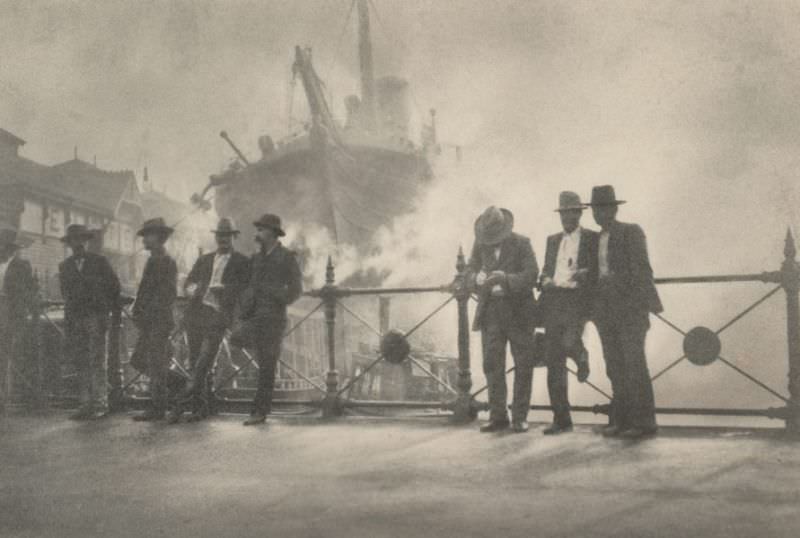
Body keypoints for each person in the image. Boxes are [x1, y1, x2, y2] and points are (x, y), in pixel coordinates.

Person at [589, 185, 662, 439]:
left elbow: (642, 271)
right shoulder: (595, 238)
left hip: (630, 311)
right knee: (614, 366)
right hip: (605, 313)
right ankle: (622, 420)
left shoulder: (631, 232)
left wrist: (614, 280)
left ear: (615, 209)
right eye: (596, 210)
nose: (599, 214)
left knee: (634, 364)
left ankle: (644, 422)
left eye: (604, 208)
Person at [168, 218, 250, 423]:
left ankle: (178, 405)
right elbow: (189, 282)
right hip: (197, 313)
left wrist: (226, 291)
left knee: (203, 363)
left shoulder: (241, 261)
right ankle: (199, 408)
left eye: (227, 235)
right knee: (195, 360)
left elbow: (246, 289)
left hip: (219, 315)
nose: (223, 239)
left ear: (233, 237)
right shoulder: (204, 259)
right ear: (216, 237)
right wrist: (192, 290)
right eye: (220, 235)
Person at [467, 206, 538, 433]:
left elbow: (531, 275)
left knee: (523, 364)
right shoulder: (479, 244)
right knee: (492, 364)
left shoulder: (522, 243)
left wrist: (506, 279)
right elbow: (468, 271)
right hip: (491, 314)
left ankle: (519, 417)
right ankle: (498, 416)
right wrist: (474, 278)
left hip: (519, 312)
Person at [539, 192, 598, 434]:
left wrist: (587, 273)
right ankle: (561, 418)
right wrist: (544, 280)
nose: (567, 217)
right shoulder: (553, 240)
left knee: (568, 340)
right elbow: (545, 269)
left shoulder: (592, 238)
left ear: (580, 213)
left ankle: (580, 353)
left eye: (572, 212)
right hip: (554, 300)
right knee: (553, 360)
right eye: (564, 213)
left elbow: (600, 268)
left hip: (577, 300)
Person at [239, 214, 302, 426]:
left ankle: (260, 411)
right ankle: (257, 408)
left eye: (261, 230)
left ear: (273, 233)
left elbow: (296, 290)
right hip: (256, 317)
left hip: (274, 319)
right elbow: (248, 283)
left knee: (267, 364)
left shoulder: (286, 257)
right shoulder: (256, 259)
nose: (257, 234)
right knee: (260, 363)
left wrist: (278, 297)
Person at [59, 224, 121, 420]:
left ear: (86, 241)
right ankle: (85, 404)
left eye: (80, 239)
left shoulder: (99, 262)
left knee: (97, 360)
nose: (77, 243)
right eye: (73, 240)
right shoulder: (65, 266)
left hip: (96, 317)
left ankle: (101, 403)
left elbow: (114, 287)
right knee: (81, 361)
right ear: (69, 244)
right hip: (76, 319)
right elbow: (66, 294)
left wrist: (104, 310)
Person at [131, 218, 178, 422]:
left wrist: (148, 312)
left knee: (155, 363)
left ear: (159, 237)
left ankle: (158, 407)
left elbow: (167, 294)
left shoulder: (166, 261)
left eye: (148, 235)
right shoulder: (152, 260)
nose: (144, 239)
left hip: (158, 320)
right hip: (149, 321)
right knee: (139, 360)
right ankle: (181, 385)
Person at [0, 228, 35, 413]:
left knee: (7, 355)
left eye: (8, 248)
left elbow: (30, 291)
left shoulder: (22, 266)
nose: (4, 251)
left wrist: (27, 311)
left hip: (10, 314)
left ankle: (4, 398)